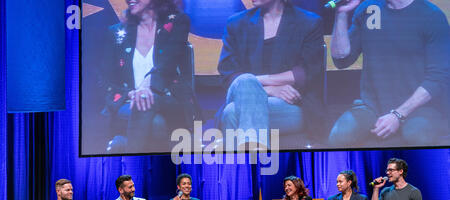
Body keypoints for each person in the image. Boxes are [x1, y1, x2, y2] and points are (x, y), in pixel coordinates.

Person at [328, 0, 449, 148]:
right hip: (372, 105)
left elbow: (438, 78)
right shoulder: (369, 9)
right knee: (340, 136)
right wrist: (341, 14)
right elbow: (342, 58)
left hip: (418, 107)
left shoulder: (431, 16)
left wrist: (397, 115)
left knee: (417, 135)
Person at [217, 0, 324, 150]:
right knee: (245, 81)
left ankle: (240, 167)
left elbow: (306, 72)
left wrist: (255, 83)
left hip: (290, 104)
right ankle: (258, 156)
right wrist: (268, 89)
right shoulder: (236, 23)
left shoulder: (308, 22)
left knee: (231, 113)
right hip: (247, 96)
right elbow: (228, 74)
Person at [100, 0, 200, 154]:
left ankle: (129, 161)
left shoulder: (177, 22)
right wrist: (131, 93)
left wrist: (147, 86)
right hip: (130, 101)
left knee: (146, 100)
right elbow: (107, 80)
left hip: (169, 99)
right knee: (156, 122)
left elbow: (168, 63)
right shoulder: (117, 33)